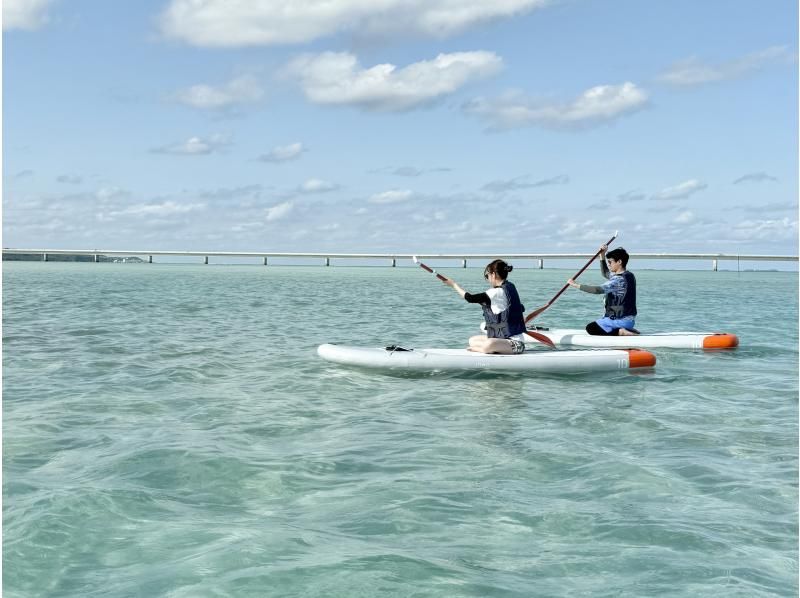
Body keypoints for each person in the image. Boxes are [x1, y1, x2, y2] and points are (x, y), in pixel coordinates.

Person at [441, 259, 527, 354]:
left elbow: (470, 298)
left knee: (489, 344)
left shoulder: (496, 292)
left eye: (487, 276)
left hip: (516, 344)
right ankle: (490, 349)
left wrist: (453, 285)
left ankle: (484, 350)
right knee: (472, 340)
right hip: (501, 339)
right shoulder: (509, 287)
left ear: (493, 275)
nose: (488, 279)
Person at [567, 245, 639, 336]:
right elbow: (605, 273)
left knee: (591, 328)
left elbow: (597, 290)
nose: (608, 264)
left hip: (619, 320)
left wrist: (575, 285)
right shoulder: (629, 275)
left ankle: (620, 331)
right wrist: (602, 255)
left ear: (619, 262)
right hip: (629, 321)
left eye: (610, 261)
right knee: (601, 324)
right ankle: (626, 328)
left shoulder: (618, 280)